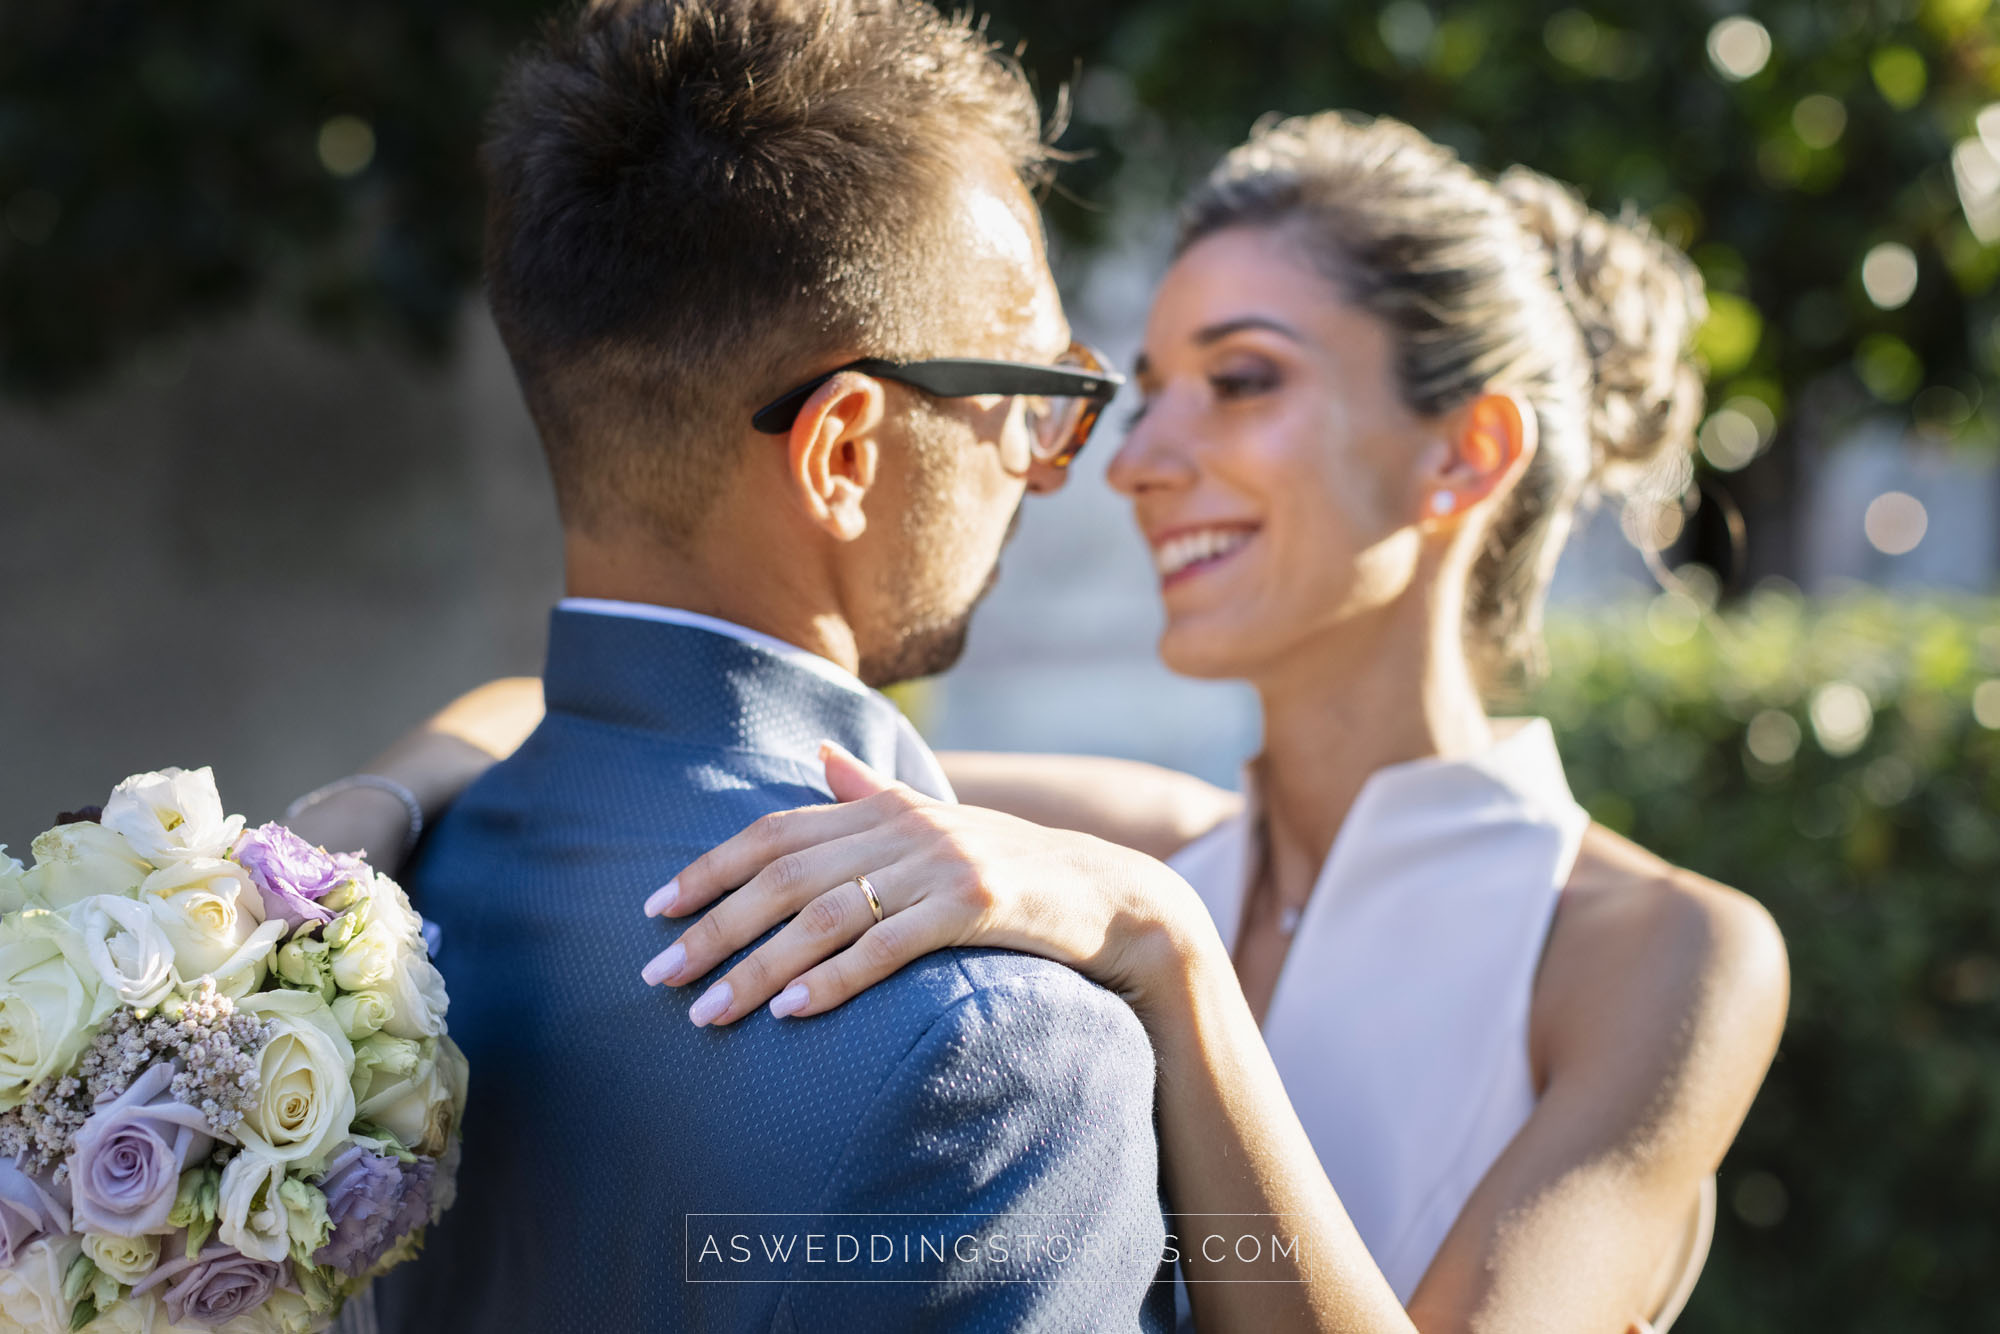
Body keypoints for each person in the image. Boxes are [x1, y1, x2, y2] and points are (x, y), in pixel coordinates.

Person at [307, 114, 1790, 1334]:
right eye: (1150, 396)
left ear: (1464, 455)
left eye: (1241, 382)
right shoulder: (1143, 837)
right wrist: (360, 826)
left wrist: (1175, 953)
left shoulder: (1667, 955)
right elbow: (625, 714)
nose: (1139, 460)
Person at [306, 2, 1185, 1330]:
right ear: (843, 454)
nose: (1044, 465)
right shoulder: (999, 1053)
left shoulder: (386, 907)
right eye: (1029, 396)